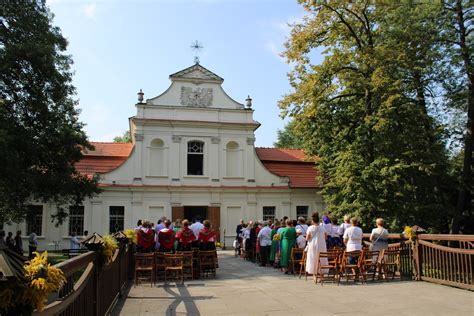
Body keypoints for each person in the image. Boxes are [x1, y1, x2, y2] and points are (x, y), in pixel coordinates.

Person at [305, 212, 327, 283]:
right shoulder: (322, 228)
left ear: (312, 221)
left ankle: (314, 276)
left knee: (313, 259)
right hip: (321, 244)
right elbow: (326, 237)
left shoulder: (310, 228)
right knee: (322, 258)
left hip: (313, 245)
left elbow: (307, 238)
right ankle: (322, 275)